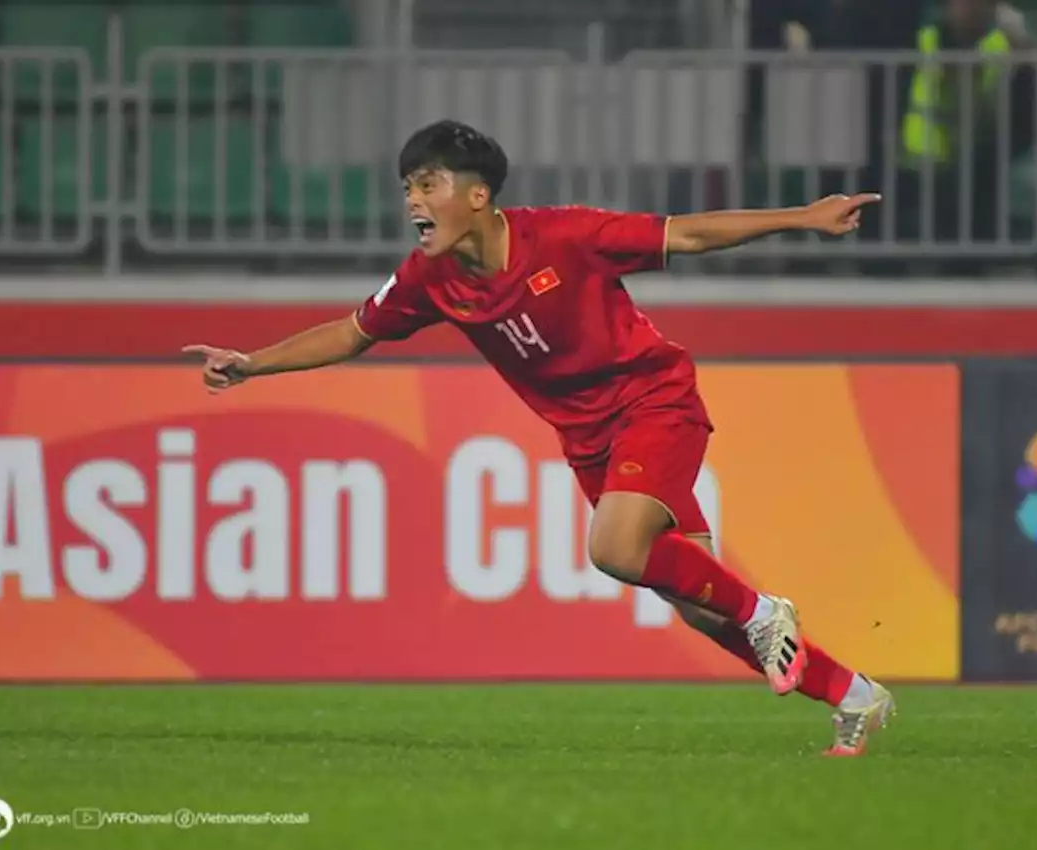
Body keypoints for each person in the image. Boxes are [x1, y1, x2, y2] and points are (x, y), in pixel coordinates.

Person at [184, 120, 893, 756]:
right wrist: (251, 365)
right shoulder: (428, 279)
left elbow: (689, 233)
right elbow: (352, 331)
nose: (413, 202)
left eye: (428, 184)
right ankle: (855, 695)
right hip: (588, 442)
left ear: (478, 195)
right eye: (408, 187)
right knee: (702, 608)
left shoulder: (567, 235)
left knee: (618, 550)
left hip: (654, 401)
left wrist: (804, 216)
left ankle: (766, 612)